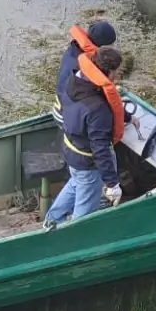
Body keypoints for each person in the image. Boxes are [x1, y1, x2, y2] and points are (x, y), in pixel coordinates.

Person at [45, 46, 125, 227]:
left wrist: (127, 116)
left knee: (75, 184)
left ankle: (52, 221)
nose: (117, 75)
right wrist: (112, 184)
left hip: (71, 152)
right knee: (85, 208)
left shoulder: (74, 82)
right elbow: (100, 149)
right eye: (116, 71)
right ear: (108, 72)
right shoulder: (97, 110)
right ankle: (72, 236)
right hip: (88, 164)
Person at [52, 20, 117, 125]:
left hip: (61, 107)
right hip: (66, 115)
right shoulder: (81, 66)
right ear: (101, 46)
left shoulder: (74, 51)